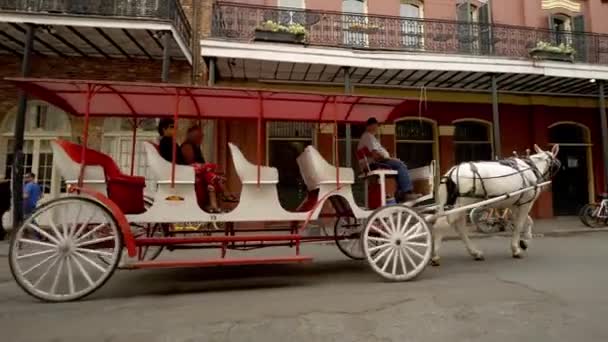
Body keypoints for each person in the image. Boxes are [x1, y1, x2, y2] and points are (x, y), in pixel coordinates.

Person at [358, 117, 420, 202]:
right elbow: (375, 155)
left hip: (373, 163)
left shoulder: (369, 137)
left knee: (398, 167)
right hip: (374, 164)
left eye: (376, 126)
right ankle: (407, 193)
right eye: (374, 126)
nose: (376, 128)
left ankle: (399, 193)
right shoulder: (368, 136)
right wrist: (390, 159)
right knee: (400, 165)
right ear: (369, 126)